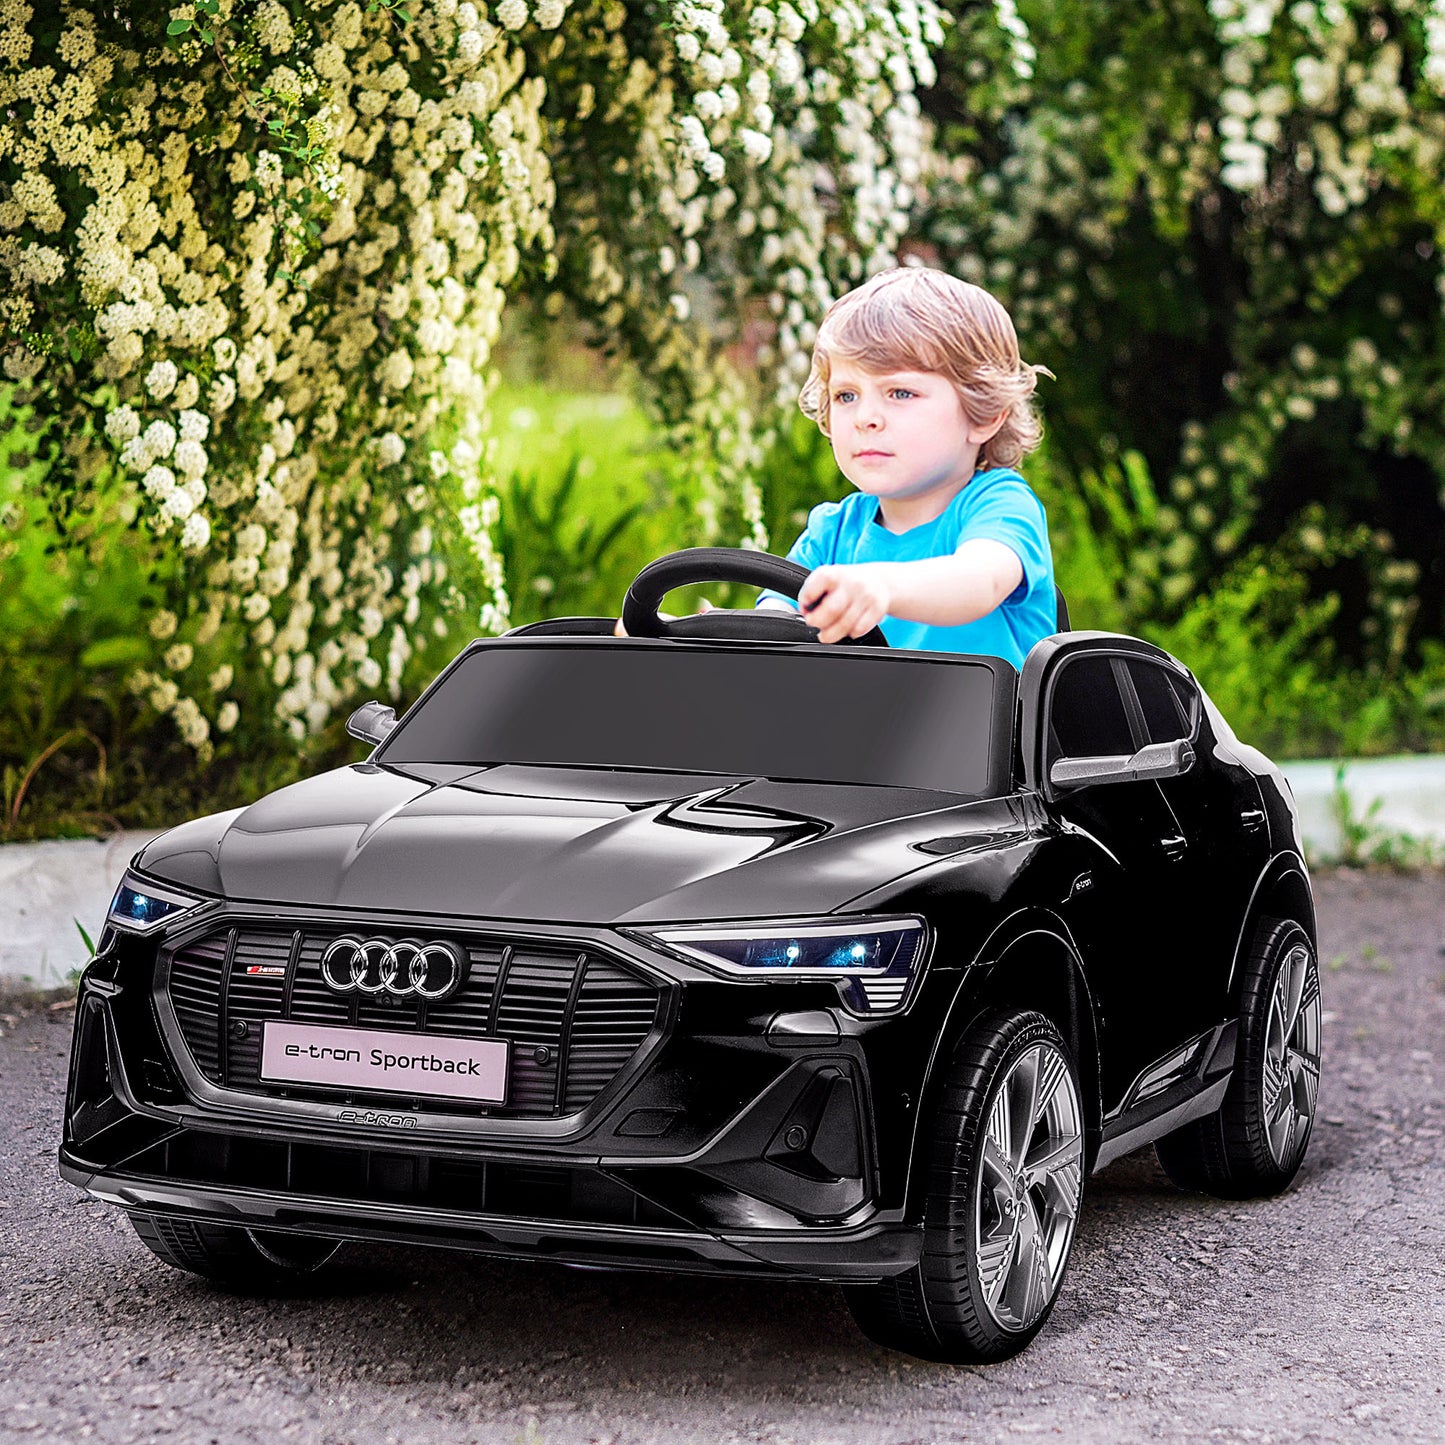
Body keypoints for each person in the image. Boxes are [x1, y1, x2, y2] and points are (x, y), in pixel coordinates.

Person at [751, 265, 1057, 670]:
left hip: (981, 711)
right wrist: (715, 635)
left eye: (900, 392)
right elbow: (776, 626)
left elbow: (980, 581)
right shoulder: (831, 532)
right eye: (846, 396)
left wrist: (880, 586)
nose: (865, 418)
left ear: (984, 415)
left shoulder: (999, 505)